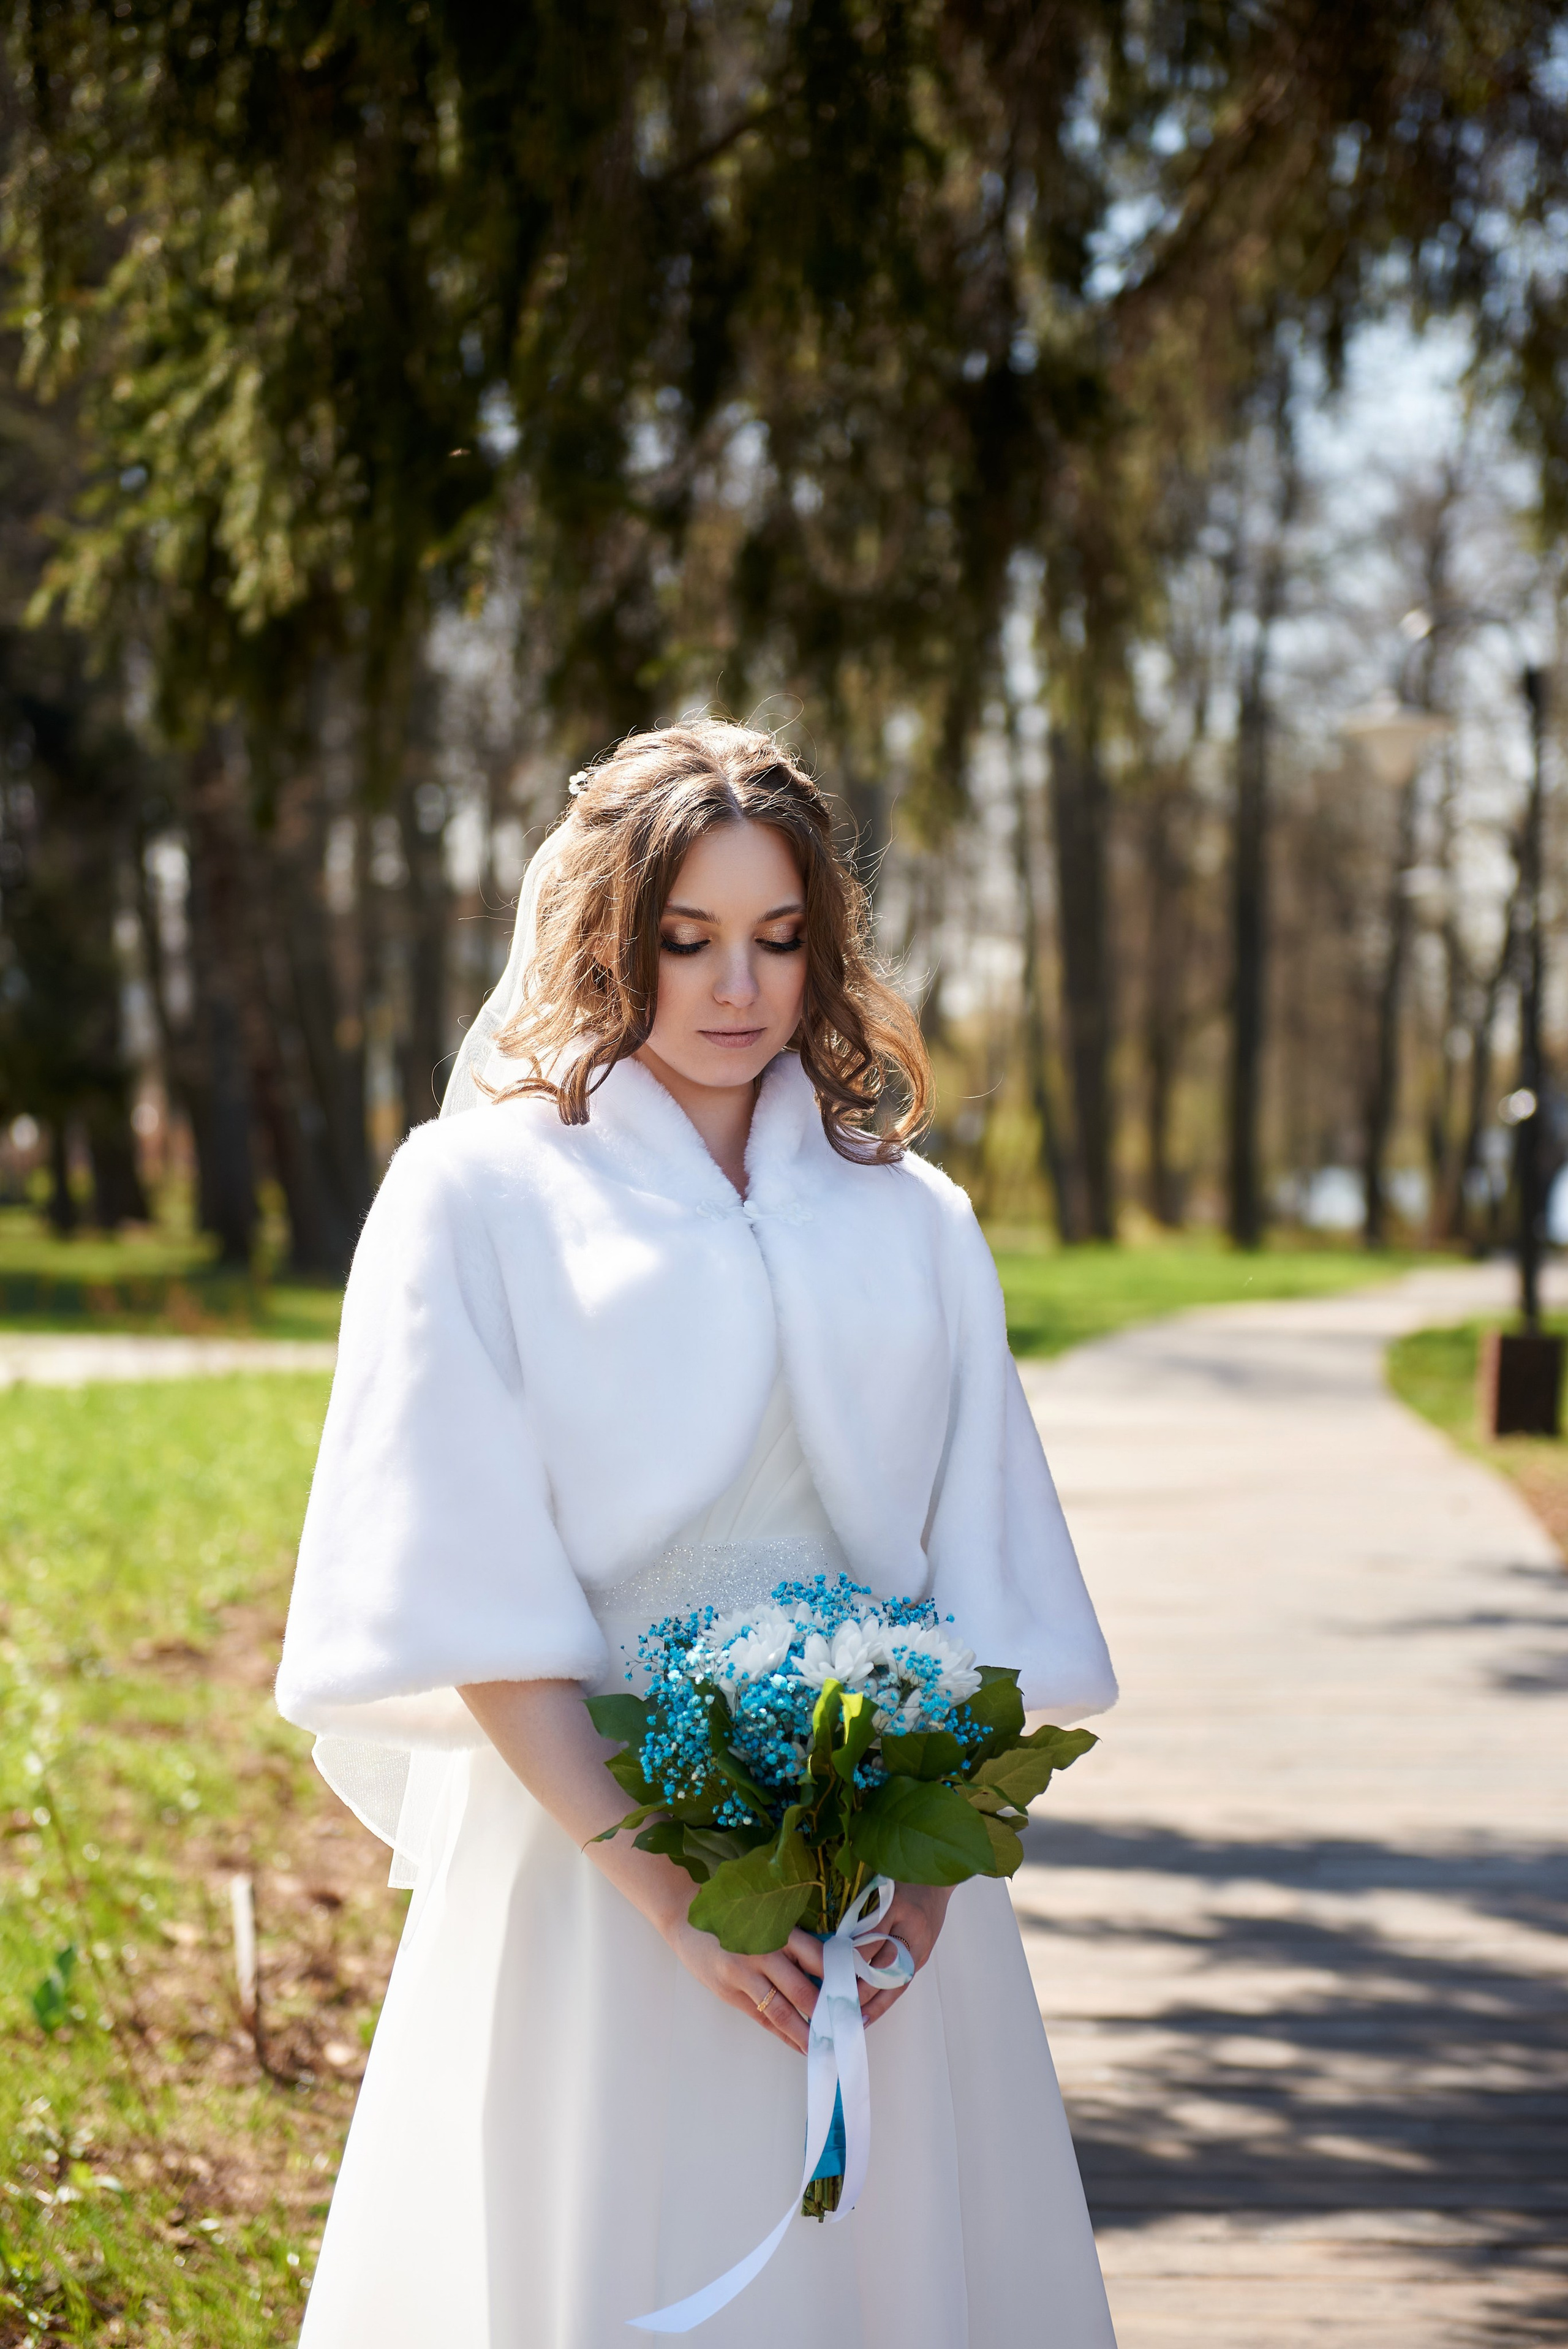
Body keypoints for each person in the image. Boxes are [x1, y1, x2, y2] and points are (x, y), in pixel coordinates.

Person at [275, 720, 1119, 2348]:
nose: (738, 983)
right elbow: (461, 1589)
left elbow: (981, 1565)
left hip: (880, 1898)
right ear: (611, 936)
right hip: (597, 1874)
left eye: (780, 938)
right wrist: (667, 1891)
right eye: (689, 939)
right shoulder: (478, 1199)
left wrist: (926, 1883)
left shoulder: (914, 1222)